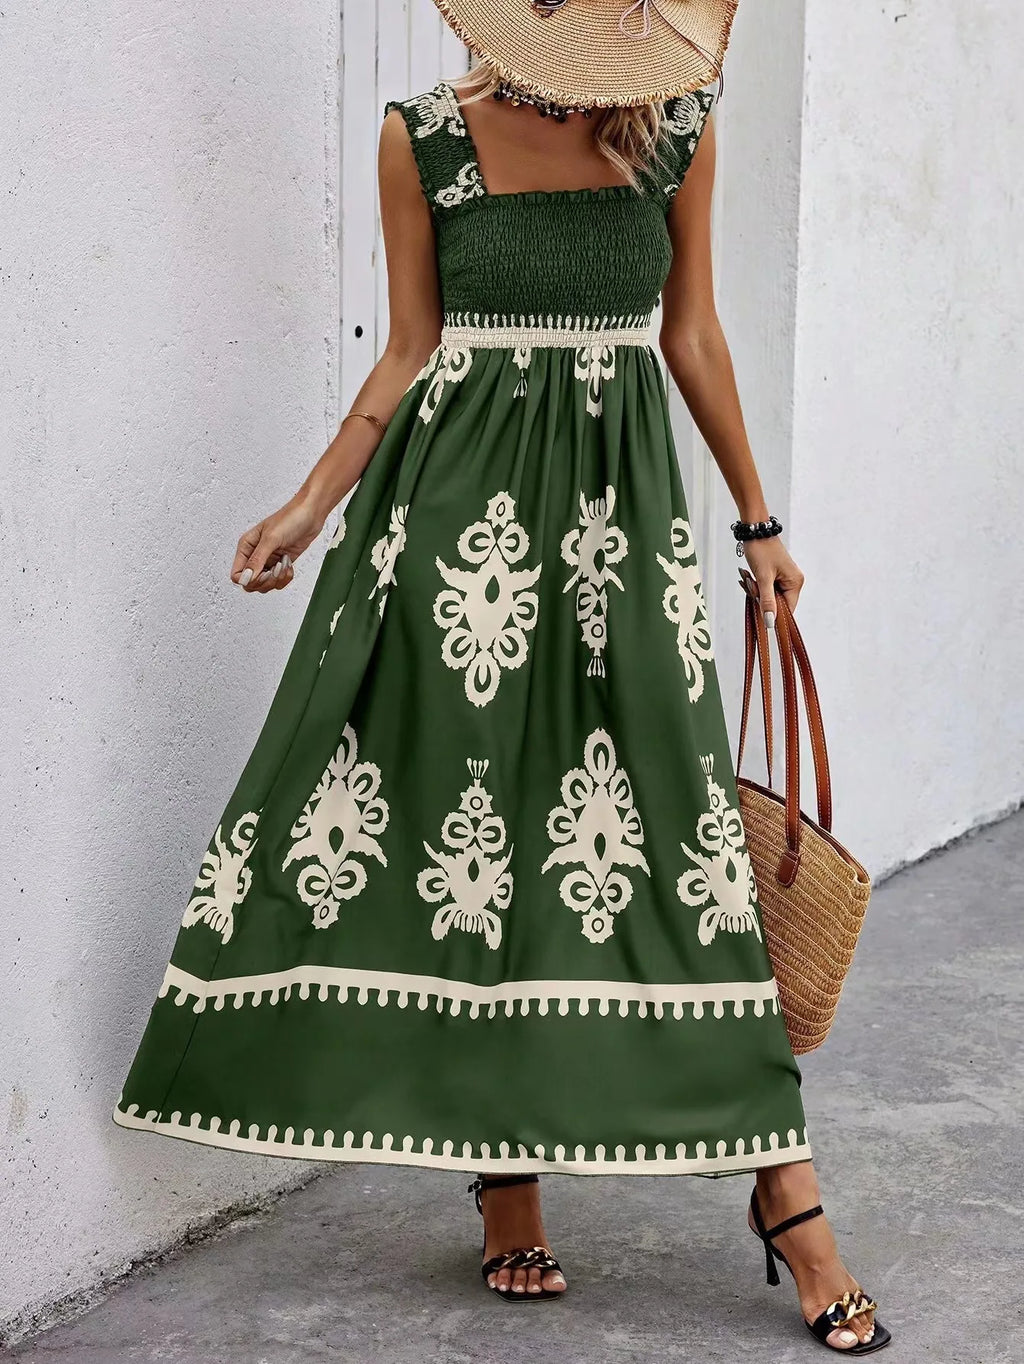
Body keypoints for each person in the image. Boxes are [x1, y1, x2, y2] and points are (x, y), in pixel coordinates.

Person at [114, 0, 890, 1351]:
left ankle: (787, 1194)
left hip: (621, 537)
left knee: (673, 842)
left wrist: (760, 523)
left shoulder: (679, 132)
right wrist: (310, 508)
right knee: (472, 830)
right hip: (450, 529)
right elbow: (411, 352)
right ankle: (508, 1173)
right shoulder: (418, 139)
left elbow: (689, 335)